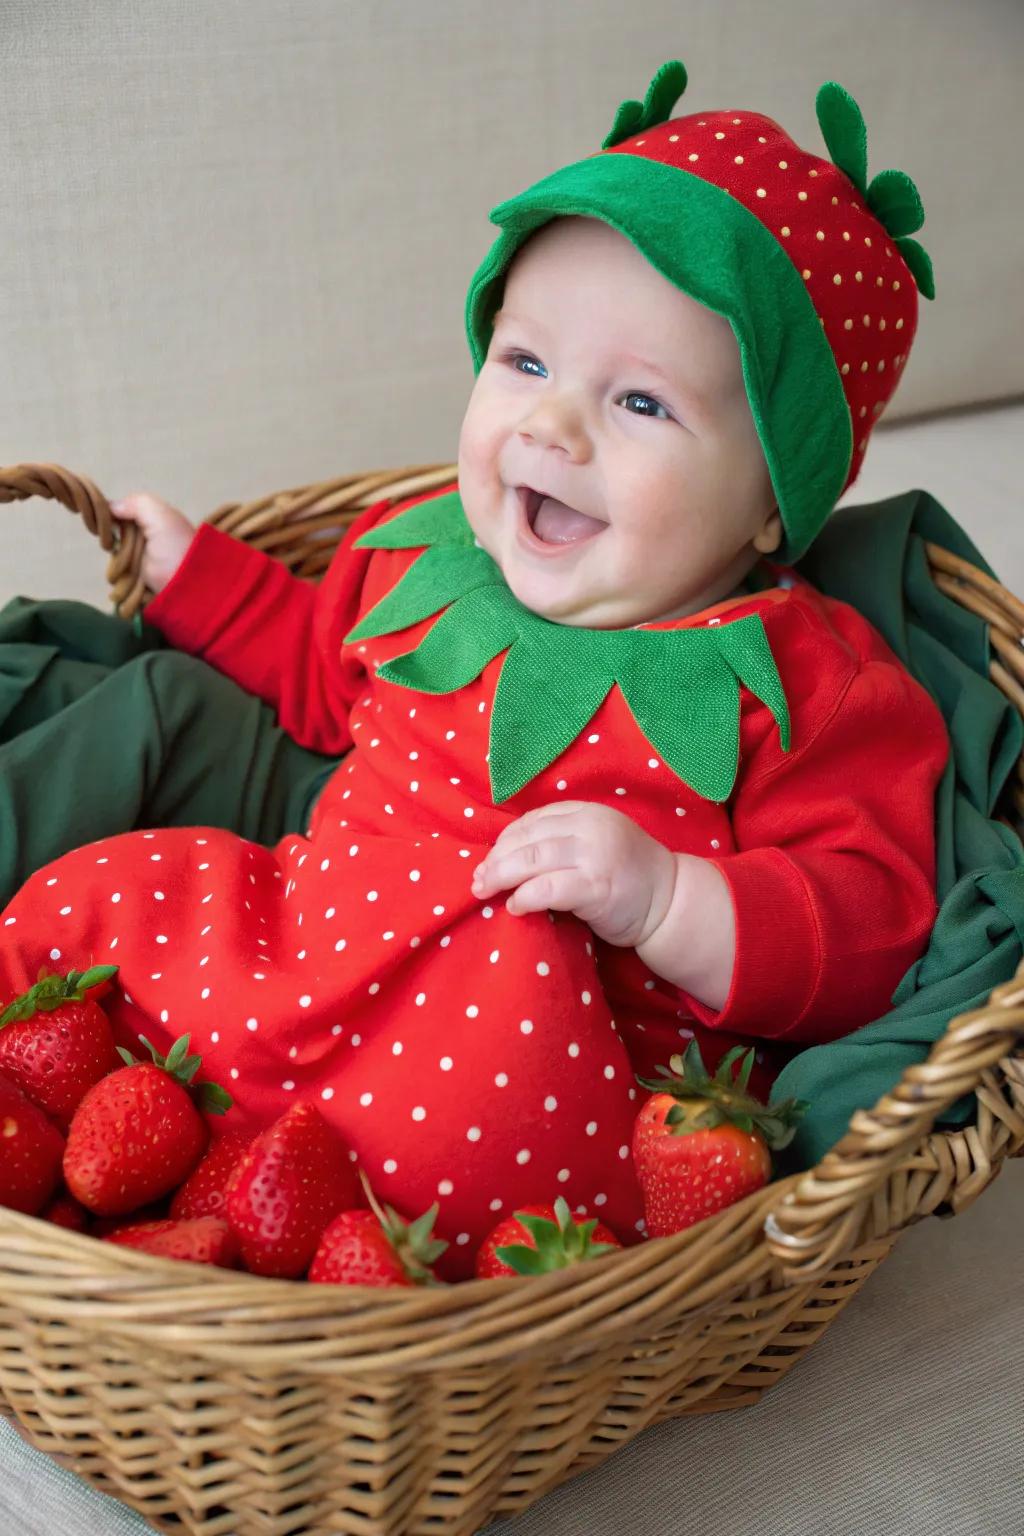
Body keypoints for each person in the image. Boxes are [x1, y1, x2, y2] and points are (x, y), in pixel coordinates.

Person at [0, 61, 949, 1277]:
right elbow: (313, 672)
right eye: (526, 363)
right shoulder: (427, 556)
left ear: (773, 503)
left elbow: (869, 926)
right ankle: (134, 1153)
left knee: (509, 978)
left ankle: (335, 1245)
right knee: (122, 892)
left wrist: (669, 902)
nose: (554, 429)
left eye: (644, 404)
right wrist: (200, 581)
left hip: (520, 1061)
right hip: (304, 938)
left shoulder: (802, 682)